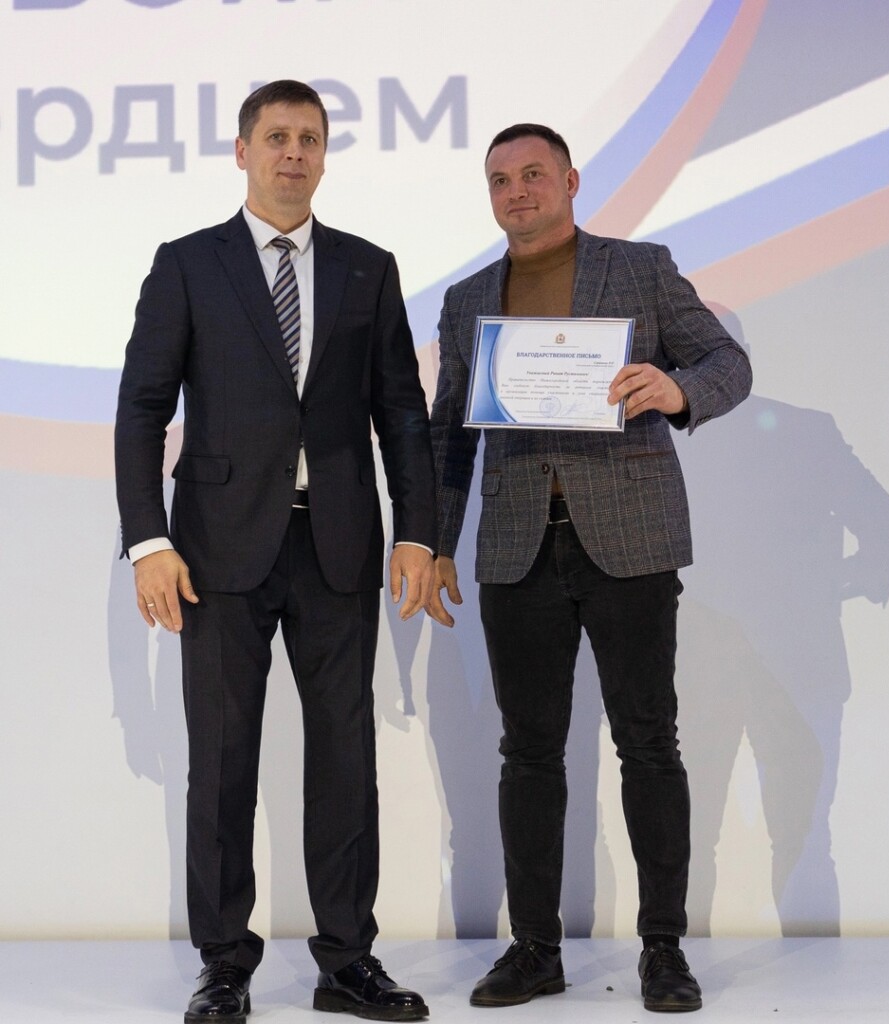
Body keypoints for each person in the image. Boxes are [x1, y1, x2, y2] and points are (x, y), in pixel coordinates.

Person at [115, 80, 436, 1024]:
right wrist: (147, 540)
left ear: (324, 154)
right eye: (277, 136)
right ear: (243, 151)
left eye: (310, 138)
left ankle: (347, 963)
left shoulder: (367, 267)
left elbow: (401, 411)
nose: (294, 152)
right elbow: (142, 409)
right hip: (214, 551)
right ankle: (223, 964)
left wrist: (417, 531)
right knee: (221, 762)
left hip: (338, 544)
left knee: (344, 757)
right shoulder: (187, 264)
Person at [427, 123, 752, 1013]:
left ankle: (662, 949)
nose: (517, 192)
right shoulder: (466, 300)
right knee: (526, 751)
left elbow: (727, 361)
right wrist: (434, 540)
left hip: (631, 536)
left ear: (570, 181)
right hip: (516, 544)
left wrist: (677, 390)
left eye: (533, 174)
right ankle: (535, 948)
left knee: (647, 742)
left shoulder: (640, 268)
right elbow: (449, 431)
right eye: (500, 180)